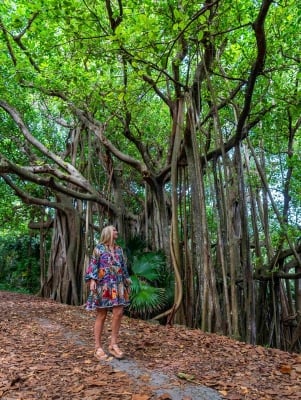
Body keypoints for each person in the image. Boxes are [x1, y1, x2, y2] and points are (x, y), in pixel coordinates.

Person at [85, 225, 131, 361]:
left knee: (118, 313)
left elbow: (123, 267)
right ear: (108, 233)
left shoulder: (119, 250)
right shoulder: (98, 249)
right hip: (103, 285)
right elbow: (93, 265)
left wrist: (127, 282)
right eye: (114, 230)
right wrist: (92, 280)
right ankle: (97, 347)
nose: (117, 232)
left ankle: (113, 345)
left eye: (117, 230)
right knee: (102, 314)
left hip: (117, 284)